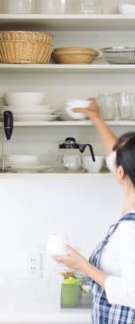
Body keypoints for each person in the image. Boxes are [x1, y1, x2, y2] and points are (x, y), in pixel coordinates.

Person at [54, 98, 135, 324]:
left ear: (120, 173)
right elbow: (117, 158)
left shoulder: (130, 229)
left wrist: (83, 266)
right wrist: (96, 117)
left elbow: (132, 294)